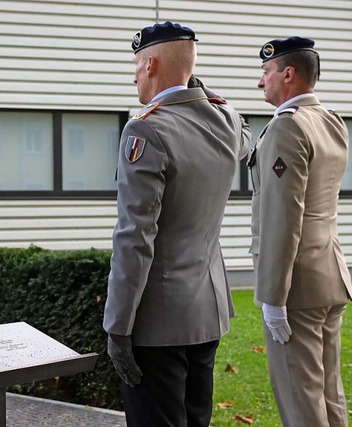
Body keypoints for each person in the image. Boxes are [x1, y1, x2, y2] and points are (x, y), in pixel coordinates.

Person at [103, 21, 250, 427]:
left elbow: (135, 238)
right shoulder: (226, 119)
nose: (132, 73)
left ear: (150, 64)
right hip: (207, 312)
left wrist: (117, 327)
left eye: (135, 63)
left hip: (157, 323)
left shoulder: (145, 128)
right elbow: (245, 134)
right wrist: (191, 82)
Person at [249, 36, 351, 426]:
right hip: (329, 273)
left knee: (300, 399)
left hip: (295, 285)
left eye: (265, 72)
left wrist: (274, 297)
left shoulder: (286, 128)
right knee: (328, 392)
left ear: (287, 74)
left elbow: (282, 217)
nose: (261, 82)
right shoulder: (331, 120)